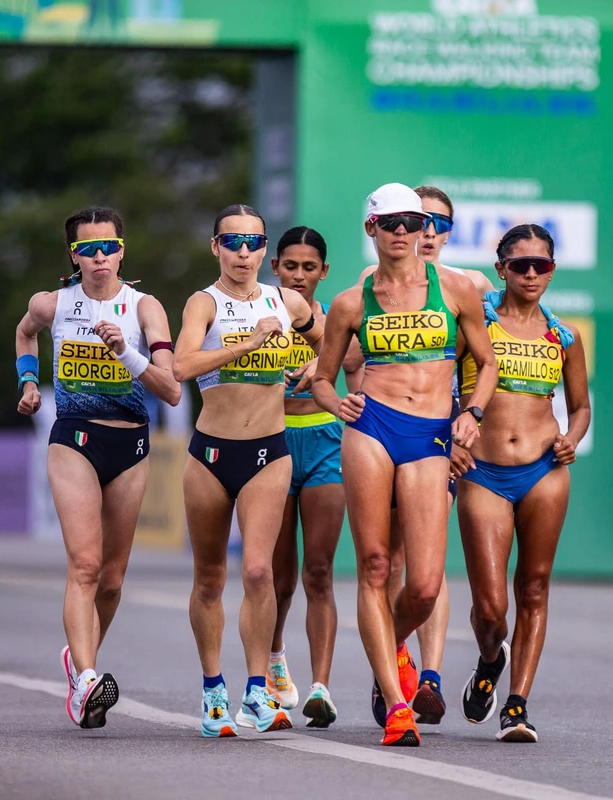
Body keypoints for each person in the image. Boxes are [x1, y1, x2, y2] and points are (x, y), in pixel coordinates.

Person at [312, 183, 498, 747]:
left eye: (413, 222)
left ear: (426, 230)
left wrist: (475, 414)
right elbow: (323, 376)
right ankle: (397, 705)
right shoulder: (351, 302)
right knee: (372, 564)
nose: (403, 231)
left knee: (423, 583)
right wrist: (332, 401)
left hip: (430, 435)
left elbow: (486, 364)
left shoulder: (458, 289)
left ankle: (385, 646)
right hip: (371, 429)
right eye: (390, 222)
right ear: (371, 229)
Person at [15, 206, 181, 729]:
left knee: (111, 579)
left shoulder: (146, 308)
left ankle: (78, 666)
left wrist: (127, 354)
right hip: (73, 440)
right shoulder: (52, 304)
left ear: (122, 250)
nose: (100, 257)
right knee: (85, 564)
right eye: (88, 249)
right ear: (74, 256)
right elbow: (24, 334)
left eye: (108, 246)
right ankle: (88, 678)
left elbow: (171, 390)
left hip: (131, 444)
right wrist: (26, 382)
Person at [172, 204, 324, 737]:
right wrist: (250, 343)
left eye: (253, 242)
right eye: (232, 241)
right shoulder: (203, 302)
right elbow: (182, 365)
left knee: (259, 572)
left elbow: (326, 337)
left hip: (268, 451)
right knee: (210, 577)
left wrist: (312, 365)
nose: (243, 252)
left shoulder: (287, 300)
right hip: (211, 453)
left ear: (265, 251)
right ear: (215, 246)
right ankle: (214, 689)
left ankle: (257, 692)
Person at [456, 224, 591, 742]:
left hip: (543, 470)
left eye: (542, 265)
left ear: (553, 270)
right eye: (520, 265)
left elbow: (579, 407)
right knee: (491, 609)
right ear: (501, 269)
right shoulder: (477, 320)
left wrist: (572, 438)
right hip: (483, 471)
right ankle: (491, 657)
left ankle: (517, 705)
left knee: (533, 586)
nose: (532, 274)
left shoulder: (565, 335)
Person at [267, 226, 360, 728]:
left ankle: (320, 687)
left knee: (318, 571)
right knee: (277, 578)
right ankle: (275, 657)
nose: (299, 276)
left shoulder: (338, 318)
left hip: (326, 442)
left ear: (323, 272)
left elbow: (357, 369)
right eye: (289, 266)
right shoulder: (255, 312)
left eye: (309, 267)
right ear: (275, 268)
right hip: (272, 441)